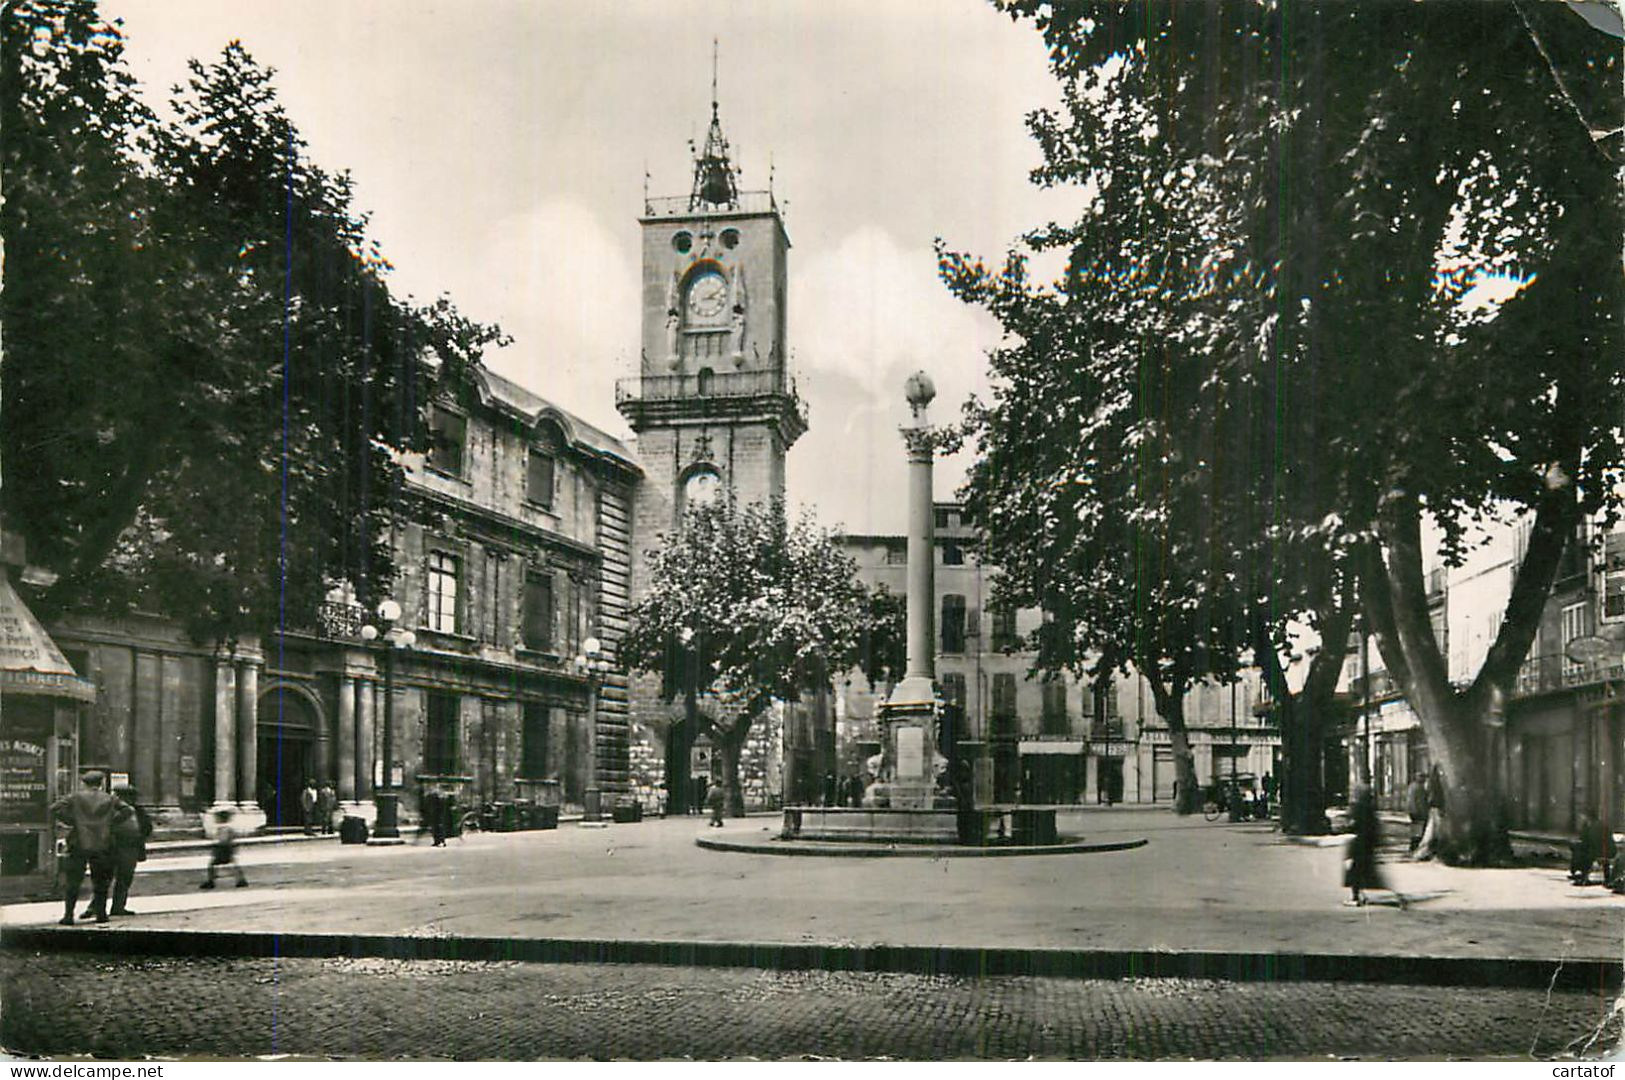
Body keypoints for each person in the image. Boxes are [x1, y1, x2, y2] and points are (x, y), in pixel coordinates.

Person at [51, 770, 133, 926]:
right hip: (103, 841)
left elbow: (55, 808)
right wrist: (110, 823)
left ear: (84, 782)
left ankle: (68, 915)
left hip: (79, 841)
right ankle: (101, 914)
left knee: (73, 880)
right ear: (101, 783)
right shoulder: (110, 798)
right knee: (101, 880)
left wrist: (72, 821)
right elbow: (128, 810)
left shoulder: (75, 797)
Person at [1343, 783, 1406, 909]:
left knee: (1357, 872)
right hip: (1368, 844)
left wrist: (1347, 826)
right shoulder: (1370, 807)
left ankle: (1356, 898)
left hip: (1360, 844)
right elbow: (1374, 826)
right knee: (1367, 873)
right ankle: (1361, 895)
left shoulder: (1358, 807)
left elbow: (1354, 825)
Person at [102, 784, 152, 918]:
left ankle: (118, 907)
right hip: (112, 846)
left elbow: (147, 827)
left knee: (124, 878)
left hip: (130, 847)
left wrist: (138, 836)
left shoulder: (138, 810)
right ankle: (96, 907)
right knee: (105, 878)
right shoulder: (110, 809)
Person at [200, 808, 248, 889]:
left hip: (222, 849)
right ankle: (241, 879)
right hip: (227, 849)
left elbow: (223, 840)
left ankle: (211, 881)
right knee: (233, 865)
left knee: (212, 865)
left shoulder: (223, 828)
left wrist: (216, 843)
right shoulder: (229, 828)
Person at [1569, 814, 1617, 886]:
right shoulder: (1601, 825)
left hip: (1599, 851)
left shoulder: (1591, 827)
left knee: (1580, 853)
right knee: (1584, 851)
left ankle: (1582, 876)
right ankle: (1607, 878)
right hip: (1610, 851)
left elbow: (1588, 841)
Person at [1415, 764, 1446, 861]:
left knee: (1431, 830)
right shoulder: (1434, 784)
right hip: (1435, 808)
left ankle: (1426, 851)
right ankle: (1426, 851)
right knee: (1433, 830)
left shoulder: (1431, 783)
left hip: (1434, 808)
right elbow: (1433, 796)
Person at [1405, 773, 1429, 854]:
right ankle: (1414, 846)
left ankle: (1414, 846)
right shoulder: (1417, 788)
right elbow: (1415, 801)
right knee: (1418, 830)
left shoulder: (1414, 787)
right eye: (1422, 777)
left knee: (1416, 829)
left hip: (1415, 811)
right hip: (1418, 812)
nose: (1424, 779)